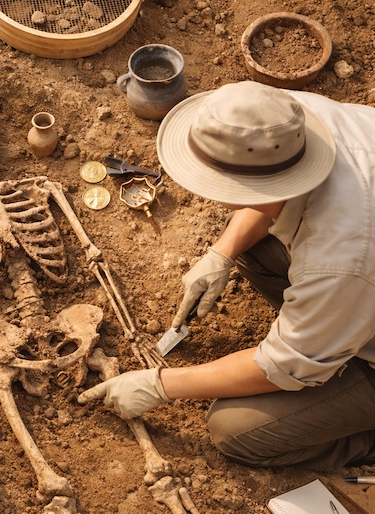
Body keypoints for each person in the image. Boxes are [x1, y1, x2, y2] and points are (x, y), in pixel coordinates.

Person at [79, 81, 375, 471]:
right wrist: (220, 254)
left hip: (357, 282)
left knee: (236, 431)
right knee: (248, 243)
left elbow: (287, 366)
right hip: (357, 276)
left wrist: (161, 384)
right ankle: (329, 327)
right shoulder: (290, 121)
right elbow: (275, 192)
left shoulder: (339, 260)